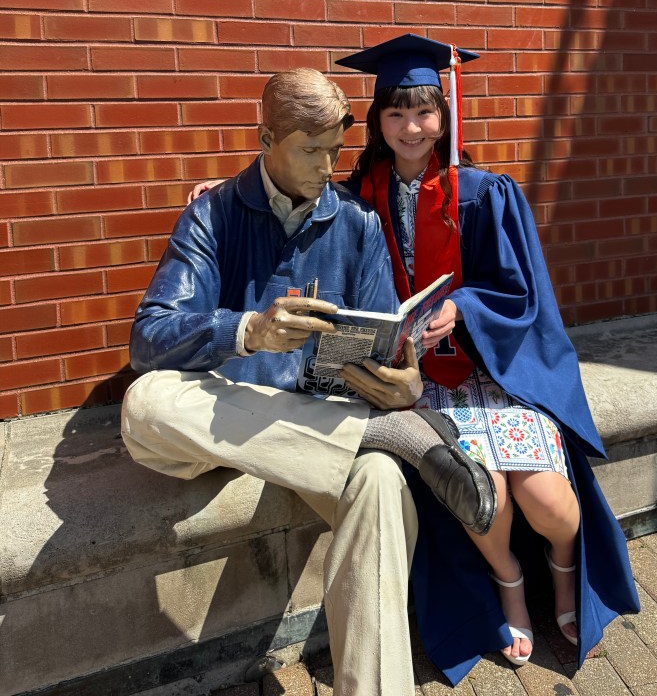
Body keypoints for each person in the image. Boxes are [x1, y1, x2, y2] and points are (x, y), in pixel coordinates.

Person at [122, 67, 497, 696]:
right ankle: (395, 435)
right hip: (216, 422)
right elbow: (148, 338)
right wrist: (248, 331)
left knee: (381, 483)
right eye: (310, 150)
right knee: (145, 401)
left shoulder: (356, 223)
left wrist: (404, 386)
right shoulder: (213, 213)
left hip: (319, 426)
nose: (327, 167)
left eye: (335, 150)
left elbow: (388, 337)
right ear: (266, 138)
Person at [331, 34, 640, 680]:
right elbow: (295, 216)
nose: (410, 128)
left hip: (495, 371)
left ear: (443, 116)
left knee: (548, 501)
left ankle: (563, 573)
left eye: (423, 111)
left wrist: (464, 308)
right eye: (395, 113)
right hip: (422, 382)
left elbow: (520, 290)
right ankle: (509, 581)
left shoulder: (482, 192)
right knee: (485, 495)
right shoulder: (358, 198)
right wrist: (223, 192)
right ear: (377, 121)